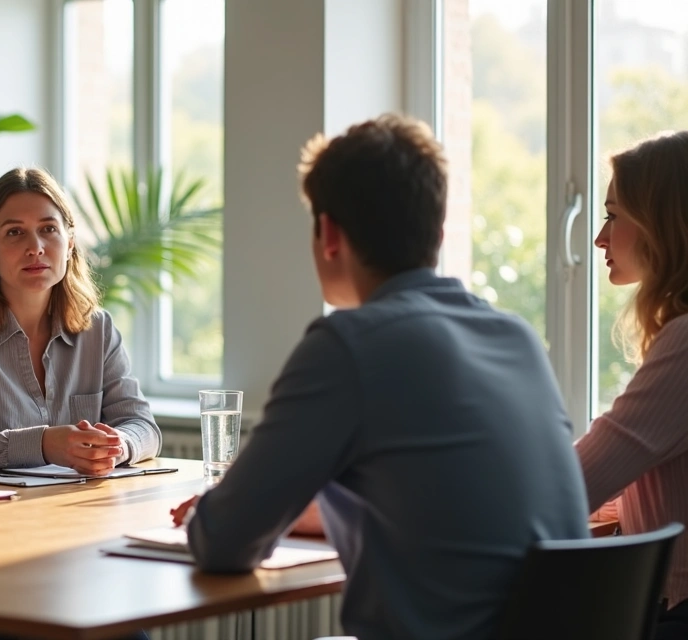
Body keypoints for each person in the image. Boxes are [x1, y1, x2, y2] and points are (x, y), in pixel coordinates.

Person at [170, 114, 589, 640]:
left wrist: (219, 510)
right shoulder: (516, 337)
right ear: (438, 231)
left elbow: (223, 542)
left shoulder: (348, 345)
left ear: (328, 235)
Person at [0, 167, 161, 474]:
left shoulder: (98, 329)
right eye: (15, 232)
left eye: (48, 229)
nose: (35, 248)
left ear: (69, 243)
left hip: (79, 508)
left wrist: (118, 444)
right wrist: (41, 444)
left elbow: (143, 426)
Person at [576, 131, 688, 640]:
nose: (601, 238)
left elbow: (576, 481)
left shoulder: (685, 342)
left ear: (662, 223)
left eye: (613, 215)